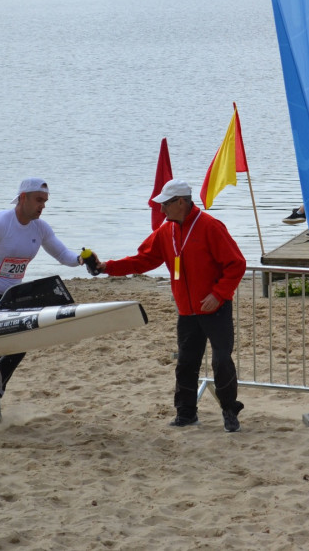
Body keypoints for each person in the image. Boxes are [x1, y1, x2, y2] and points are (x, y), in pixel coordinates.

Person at [94, 179, 247, 432]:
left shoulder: (210, 226)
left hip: (215, 308)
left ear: (181, 202)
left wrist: (218, 294)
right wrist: (107, 267)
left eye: (165, 205)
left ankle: (230, 410)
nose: (161, 210)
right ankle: (186, 414)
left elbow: (236, 264)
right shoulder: (166, 231)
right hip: (187, 311)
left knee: (221, 361)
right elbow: (142, 260)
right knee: (186, 363)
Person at [0, 178, 95, 422]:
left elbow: (62, 254)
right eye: (38, 200)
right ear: (23, 197)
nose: (42, 206)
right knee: (2, 351)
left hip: (13, 298)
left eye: (45, 202)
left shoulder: (40, 228)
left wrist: (81, 259)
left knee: (17, 349)